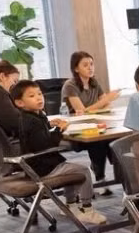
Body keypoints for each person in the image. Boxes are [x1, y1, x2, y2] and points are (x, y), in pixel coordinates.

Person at [11, 80, 106, 225]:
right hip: (43, 167)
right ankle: (87, 209)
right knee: (83, 171)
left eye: (39, 94)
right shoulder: (32, 121)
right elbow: (45, 144)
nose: (38, 98)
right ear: (20, 103)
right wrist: (59, 129)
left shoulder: (32, 116)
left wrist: (50, 124)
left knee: (70, 169)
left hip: (38, 165)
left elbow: (37, 133)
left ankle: (70, 205)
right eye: (31, 96)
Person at [61, 51, 120, 193]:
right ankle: (100, 178)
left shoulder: (94, 83)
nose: (90, 68)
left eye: (92, 64)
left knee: (115, 137)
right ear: (76, 69)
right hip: (77, 131)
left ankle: (121, 174)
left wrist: (101, 104)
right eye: (85, 65)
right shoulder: (70, 85)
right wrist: (105, 101)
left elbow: (106, 107)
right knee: (99, 141)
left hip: (96, 124)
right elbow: (81, 111)